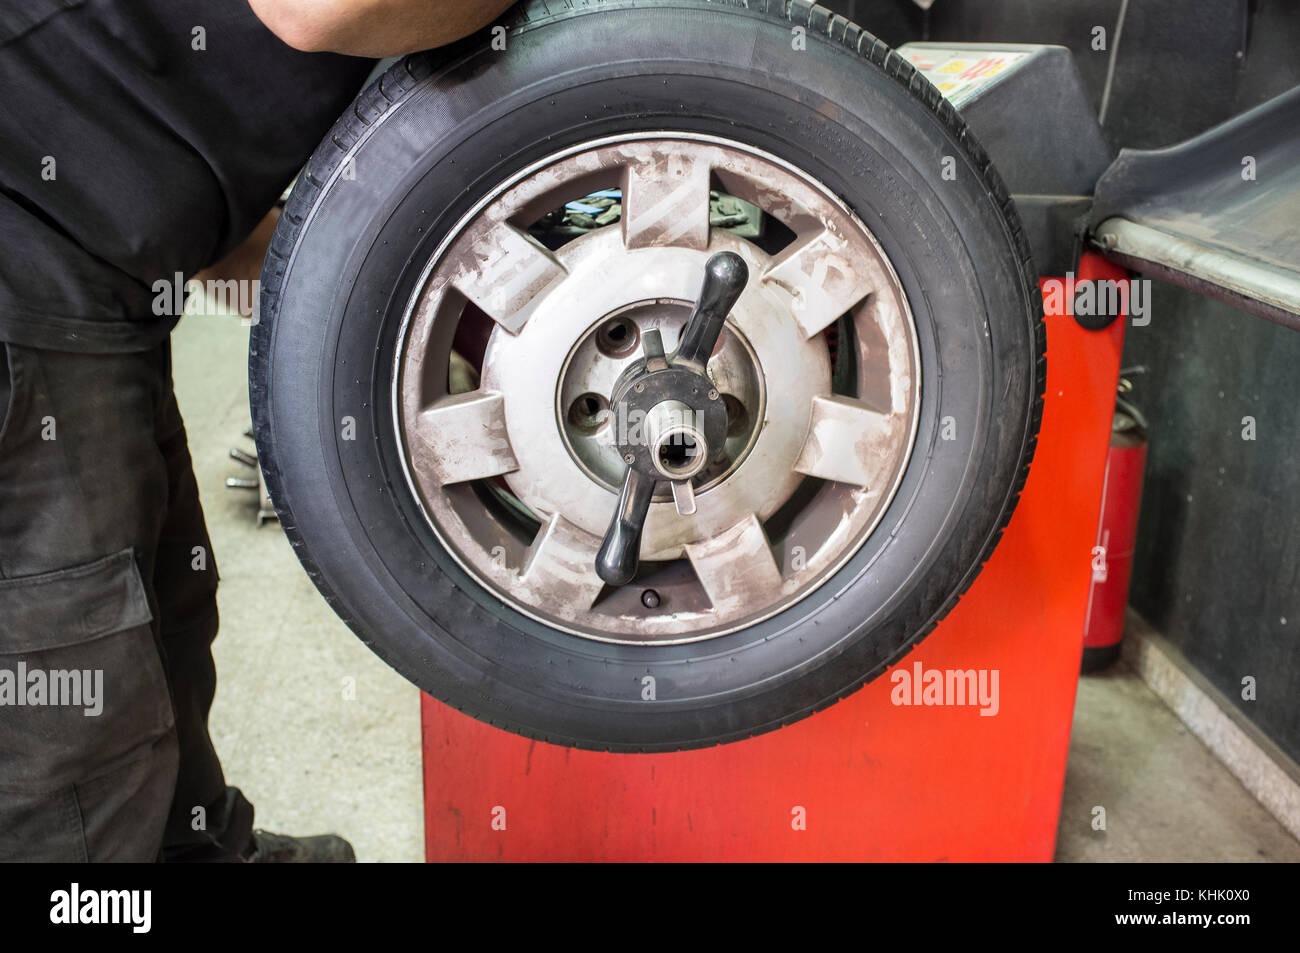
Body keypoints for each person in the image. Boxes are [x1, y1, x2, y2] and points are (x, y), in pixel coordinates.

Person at [0, 0, 511, 862]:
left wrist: (446, 299)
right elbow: (317, 8)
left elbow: (223, 217)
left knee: (156, 612)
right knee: (69, 689)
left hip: (96, 262)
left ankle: (197, 850)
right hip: (27, 272)